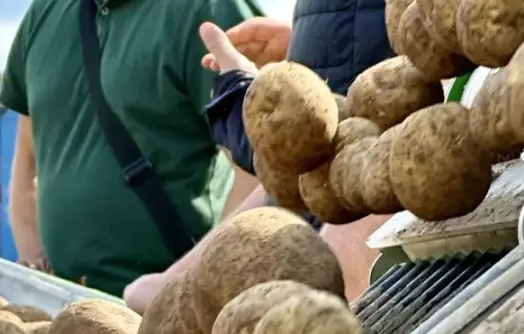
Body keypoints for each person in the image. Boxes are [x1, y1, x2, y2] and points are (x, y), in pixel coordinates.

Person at [123, 3, 396, 310]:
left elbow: (415, 104)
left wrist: (243, 98)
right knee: (152, 297)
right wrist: (313, 48)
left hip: (371, 228)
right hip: (323, 206)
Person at [0, 0, 266, 298]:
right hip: (58, 310)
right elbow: (26, 156)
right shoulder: (43, 14)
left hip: (165, 311)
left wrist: (192, 291)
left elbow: (263, 173)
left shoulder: (208, 9)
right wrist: (36, 269)